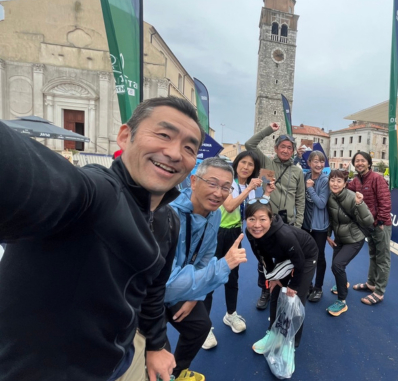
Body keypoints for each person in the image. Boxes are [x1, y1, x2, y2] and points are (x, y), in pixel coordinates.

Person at [0, 96, 203, 381]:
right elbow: (33, 177)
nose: (174, 153)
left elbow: (153, 291)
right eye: (163, 135)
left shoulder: (169, 220)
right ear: (125, 137)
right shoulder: (98, 192)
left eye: (189, 148)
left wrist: (156, 344)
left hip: (123, 359)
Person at [164, 157, 248, 379]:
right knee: (156, 356)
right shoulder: (167, 215)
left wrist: (194, 296)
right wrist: (225, 265)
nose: (219, 193)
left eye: (226, 188)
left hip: (183, 285)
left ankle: (177, 373)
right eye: (212, 183)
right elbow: (166, 286)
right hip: (148, 296)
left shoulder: (215, 215)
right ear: (193, 181)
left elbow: (204, 259)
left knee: (200, 326)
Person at [202, 151, 263, 349]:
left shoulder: (250, 188)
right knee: (211, 278)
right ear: (236, 164)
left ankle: (231, 314)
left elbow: (251, 211)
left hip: (235, 233)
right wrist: (249, 188)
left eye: (250, 164)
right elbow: (229, 206)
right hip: (216, 232)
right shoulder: (229, 182)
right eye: (243, 162)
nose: (246, 167)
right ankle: (204, 327)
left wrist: (266, 194)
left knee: (232, 276)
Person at [245, 122, 305, 310]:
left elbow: (300, 199)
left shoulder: (297, 171)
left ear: (293, 151)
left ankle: (282, 289)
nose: (285, 150)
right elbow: (249, 145)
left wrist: (298, 223)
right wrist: (269, 129)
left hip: (289, 223)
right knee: (264, 259)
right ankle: (265, 290)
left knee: (287, 259)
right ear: (276, 148)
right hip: (267, 223)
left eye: (289, 148)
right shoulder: (267, 164)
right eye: (282, 147)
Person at [245, 200, 317, 355]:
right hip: (284, 255)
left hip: (306, 256)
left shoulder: (284, 235)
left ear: (270, 219)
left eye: (262, 219)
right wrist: (273, 276)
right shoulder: (251, 232)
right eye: (251, 219)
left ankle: (290, 342)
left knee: (294, 298)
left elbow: (299, 261)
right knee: (276, 292)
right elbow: (261, 255)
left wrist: (293, 285)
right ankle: (273, 333)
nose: (256, 225)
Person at [326, 170, 374, 316]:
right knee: (336, 267)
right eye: (332, 180)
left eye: (339, 181)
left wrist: (360, 204)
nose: (335, 184)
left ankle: (342, 301)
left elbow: (369, 220)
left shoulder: (353, 197)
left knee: (338, 265)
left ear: (345, 184)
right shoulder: (330, 197)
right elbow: (331, 219)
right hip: (339, 238)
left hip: (354, 239)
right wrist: (328, 235)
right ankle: (343, 284)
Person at [347, 151, 392, 306]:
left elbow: (385, 201)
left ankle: (379, 292)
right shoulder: (356, 180)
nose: (359, 163)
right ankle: (371, 284)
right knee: (373, 255)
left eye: (362, 160)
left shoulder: (377, 178)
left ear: (369, 163)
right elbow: (346, 190)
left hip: (380, 225)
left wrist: (381, 221)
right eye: (357, 161)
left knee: (382, 258)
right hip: (368, 225)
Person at [302, 151, 330, 303]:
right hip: (306, 225)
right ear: (310, 163)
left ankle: (318, 288)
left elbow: (321, 204)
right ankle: (308, 285)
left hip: (319, 227)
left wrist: (310, 188)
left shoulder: (325, 180)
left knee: (319, 257)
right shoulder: (305, 176)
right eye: (316, 161)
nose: (319, 164)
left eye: (322, 161)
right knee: (306, 256)